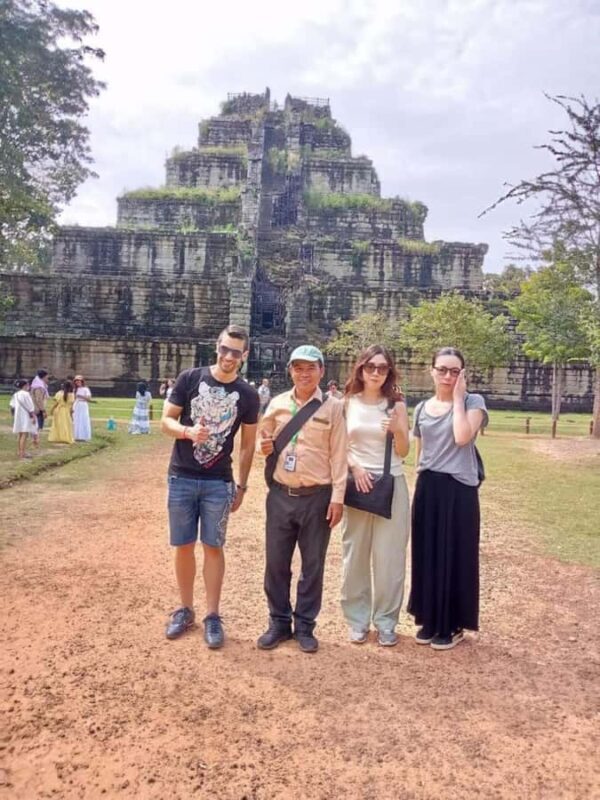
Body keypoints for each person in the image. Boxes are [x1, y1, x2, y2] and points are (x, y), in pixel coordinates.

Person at [161, 325, 259, 649]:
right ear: (216, 348)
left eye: (236, 352)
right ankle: (185, 609)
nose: (228, 357)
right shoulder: (190, 378)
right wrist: (187, 432)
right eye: (224, 349)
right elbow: (166, 421)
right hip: (182, 476)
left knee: (214, 546)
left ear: (245, 356)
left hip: (219, 481)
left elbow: (247, 445)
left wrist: (242, 486)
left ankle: (213, 615)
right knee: (183, 544)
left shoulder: (247, 395)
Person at [257, 345, 347, 654]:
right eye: (298, 368)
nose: (304, 373)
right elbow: (263, 437)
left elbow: (339, 454)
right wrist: (263, 447)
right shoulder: (278, 403)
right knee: (276, 563)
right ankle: (279, 622)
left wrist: (337, 498)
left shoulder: (333, 407)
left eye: (310, 368)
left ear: (322, 371)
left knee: (313, 565)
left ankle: (305, 625)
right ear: (290, 371)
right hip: (282, 494)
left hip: (317, 497)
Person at [408, 347, 488, 651]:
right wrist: (420, 476)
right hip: (429, 486)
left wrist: (457, 398)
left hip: (459, 489)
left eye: (455, 371)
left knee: (456, 555)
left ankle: (453, 623)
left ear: (463, 374)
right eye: (442, 369)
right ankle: (429, 618)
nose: (447, 376)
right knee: (427, 553)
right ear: (432, 371)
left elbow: (462, 437)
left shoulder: (473, 403)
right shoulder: (421, 408)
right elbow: (421, 449)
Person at [341, 345, 410, 646]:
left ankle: (385, 621)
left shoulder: (396, 405)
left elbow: (405, 451)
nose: (376, 373)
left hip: (391, 482)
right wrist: (355, 467)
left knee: (389, 558)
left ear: (389, 372)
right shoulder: (346, 403)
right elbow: (338, 447)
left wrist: (397, 430)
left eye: (382, 368)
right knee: (354, 555)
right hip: (358, 483)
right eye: (371, 367)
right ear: (360, 368)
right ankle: (357, 619)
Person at [11, 379, 38, 459]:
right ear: (25, 385)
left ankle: (20, 451)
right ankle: (22, 454)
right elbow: (30, 406)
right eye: (28, 385)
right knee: (24, 434)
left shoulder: (16, 394)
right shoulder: (26, 394)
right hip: (25, 416)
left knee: (20, 434)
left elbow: (12, 405)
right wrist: (33, 416)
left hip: (18, 415)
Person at [48, 380, 75, 444]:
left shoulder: (59, 393)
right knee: (66, 424)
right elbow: (71, 405)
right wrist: (71, 413)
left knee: (57, 424)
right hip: (66, 410)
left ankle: (58, 437)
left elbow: (55, 403)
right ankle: (66, 437)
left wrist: (51, 410)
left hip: (59, 410)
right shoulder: (71, 395)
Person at [73, 375, 93, 441]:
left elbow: (89, 398)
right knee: (76, 419)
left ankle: (83, 436)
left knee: (83, 419)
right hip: (76, 404)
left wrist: (81, 396)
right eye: (76, 381)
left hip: (83, 404)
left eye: (79, 381)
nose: (77, 382)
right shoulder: (75, 389)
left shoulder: (85, 389)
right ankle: (76, 435)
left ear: (82, 381)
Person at [30, 369, 49, 434]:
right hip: (37, 407)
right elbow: (38, 399)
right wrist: (43, 410)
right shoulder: (38, 386)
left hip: (38, 406)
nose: (47, 378)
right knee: (37, 425)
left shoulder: (38, 383)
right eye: (47, 376)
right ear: (44, 376)